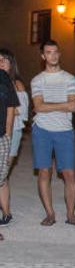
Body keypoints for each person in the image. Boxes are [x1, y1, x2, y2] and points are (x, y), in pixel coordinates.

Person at [30, 40, 75, 227]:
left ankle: (71, 215)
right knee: (45, 172)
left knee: (69, 174)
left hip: (64, 131)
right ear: (43, 56)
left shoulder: (70, 79)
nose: (52, 55)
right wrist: (64, 105)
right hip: (42, 131)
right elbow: (38, 107)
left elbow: (74, 107)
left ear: (59, 54)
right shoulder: (37, 80)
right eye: (48, 52)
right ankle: (50, 214)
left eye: (55, 52)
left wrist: (50, 106)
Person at [0, 49, 22, 234]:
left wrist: (8, 134)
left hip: (6, 134)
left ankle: (6, 213)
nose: (0, 62)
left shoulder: (10, 81)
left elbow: (13, 109)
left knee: (2, 176)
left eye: (4, 60)